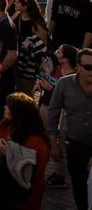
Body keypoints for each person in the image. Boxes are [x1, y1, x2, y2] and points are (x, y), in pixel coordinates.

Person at [0, 92, 50, 210]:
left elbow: (34, 169)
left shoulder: (35, 141)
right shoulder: (5, 125)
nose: (4, 107)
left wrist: (9, 152)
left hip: (19, 199)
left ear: (18, 113)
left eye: (8, 106)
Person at [47, 46, 92, 210]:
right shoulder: (65, 84)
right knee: (79, 188)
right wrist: (53, 143)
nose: (91, 71)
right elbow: (53, 112)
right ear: (78, 66)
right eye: (88, 67)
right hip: (74, 145)